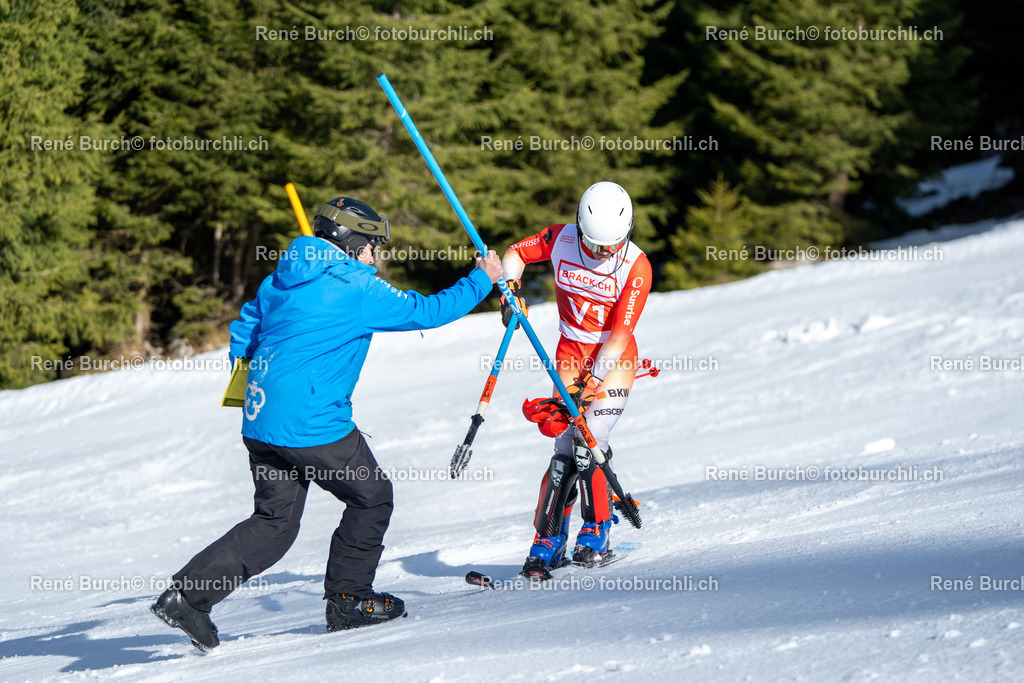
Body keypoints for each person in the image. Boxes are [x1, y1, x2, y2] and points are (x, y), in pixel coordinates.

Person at [152, 196, 503, 650]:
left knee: (275, 521)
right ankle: (349, 602)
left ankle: (187, 598)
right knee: (372, 497)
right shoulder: (357, 289)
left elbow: (250, 321)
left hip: (260, 418)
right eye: (373, 246)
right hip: (311, 424)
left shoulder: (285, 273)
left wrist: (248, 368)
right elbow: (428, 312)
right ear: (355, 245)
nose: (376, 256)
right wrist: (483, 278)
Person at [500, 181, 651, 574]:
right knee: (565, 449)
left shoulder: (636, 266)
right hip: (570, 353)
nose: (605, 253)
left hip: (613, 359)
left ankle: (597, 529)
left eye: (613, 244)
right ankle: (548, 537)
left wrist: (591, 386)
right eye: (595, 245)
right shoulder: (563, 238)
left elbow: (619, 336)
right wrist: (510, 289)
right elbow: (516, 253)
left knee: (591, 440)